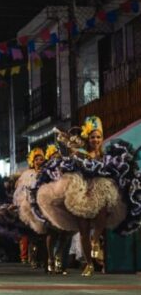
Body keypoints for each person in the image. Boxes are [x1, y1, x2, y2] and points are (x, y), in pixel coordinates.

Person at [30, 116, 141, 276]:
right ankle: (89, 264)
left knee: (102, 211)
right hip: (81, 191)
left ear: (102, 138)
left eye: (98, 137)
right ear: (88, 138)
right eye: (92, 137)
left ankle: (95, 240)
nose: (95, 140)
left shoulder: (107, 155)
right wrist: (70, 145)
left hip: (100, 190)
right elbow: (69, 157)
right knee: (83, 230)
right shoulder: (81, 152)